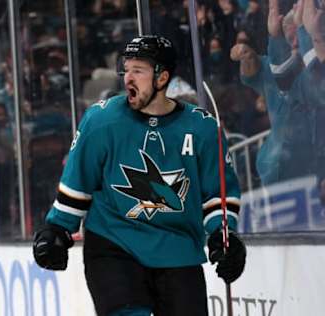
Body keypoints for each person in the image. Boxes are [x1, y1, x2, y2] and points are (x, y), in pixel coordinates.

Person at [32, 35, 246, 316]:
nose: (128, 78)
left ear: (162, 78)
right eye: (126, 69)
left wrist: (222, 235)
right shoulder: (102, 120)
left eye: (138, 70)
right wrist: (57, 228)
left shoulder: (202, 128)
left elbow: (217, 193)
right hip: (114, 245)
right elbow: (78, 182)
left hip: (177, 247)